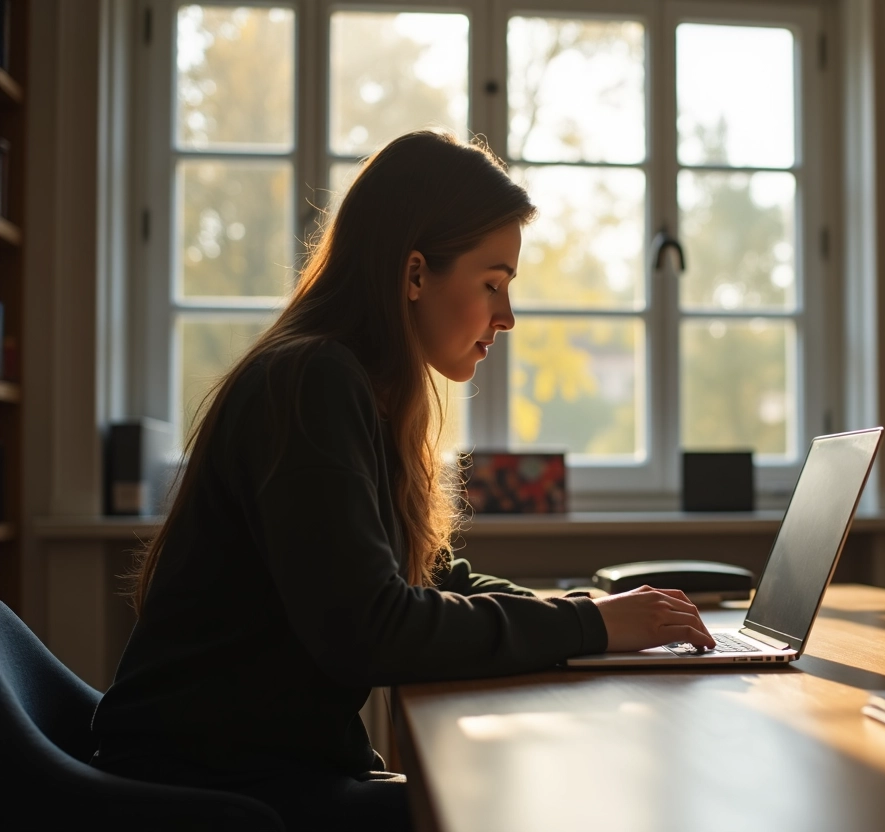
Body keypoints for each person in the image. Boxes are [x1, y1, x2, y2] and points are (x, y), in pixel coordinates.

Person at [90, 130, 715, 830]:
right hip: (208, 795)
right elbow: (372, 627)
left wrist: (596, 614)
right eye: (492, 284)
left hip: (259, 770)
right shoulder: (311, 382)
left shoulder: (357, 387)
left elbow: (435, 580)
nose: (506, 317)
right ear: (414, 273)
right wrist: (589, 624)